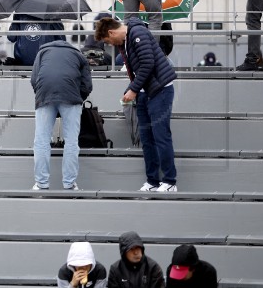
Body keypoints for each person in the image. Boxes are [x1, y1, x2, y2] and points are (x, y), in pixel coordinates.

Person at [95, 17, 177, 192]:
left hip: (160, 90)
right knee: (147, 139)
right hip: (144, 92)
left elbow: (148, 64)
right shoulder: (124, 41)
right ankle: (153, 181)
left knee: (161, 136)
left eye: (108, 41)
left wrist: (132, 89)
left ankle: (170, 181)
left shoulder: (137, 32)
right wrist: (132, 89)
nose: (110, 44)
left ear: (111, 32)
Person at [30, 40, 93, 191]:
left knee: (41, 141)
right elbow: (87, 85)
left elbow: (34, 79)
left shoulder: (42, 52)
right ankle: (69, 184)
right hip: (71, 95)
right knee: (71, 141)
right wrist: (78, 99)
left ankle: (41, 183)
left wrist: (42, 96)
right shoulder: (79, 55)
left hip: (45, 93)